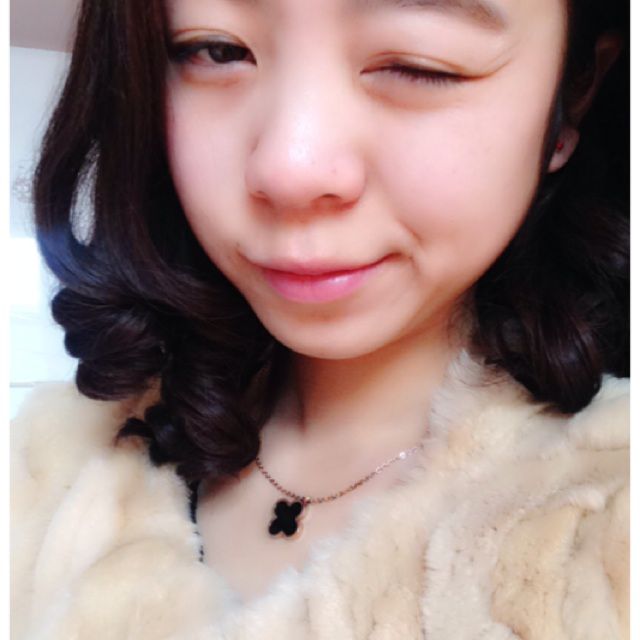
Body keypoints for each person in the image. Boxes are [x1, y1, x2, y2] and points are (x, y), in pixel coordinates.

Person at [11, 0, 629, 638]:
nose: (290, 169)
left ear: (572, 93)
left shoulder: (613, 524)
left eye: (417, 64)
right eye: (216, 51)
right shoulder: (51, 467)